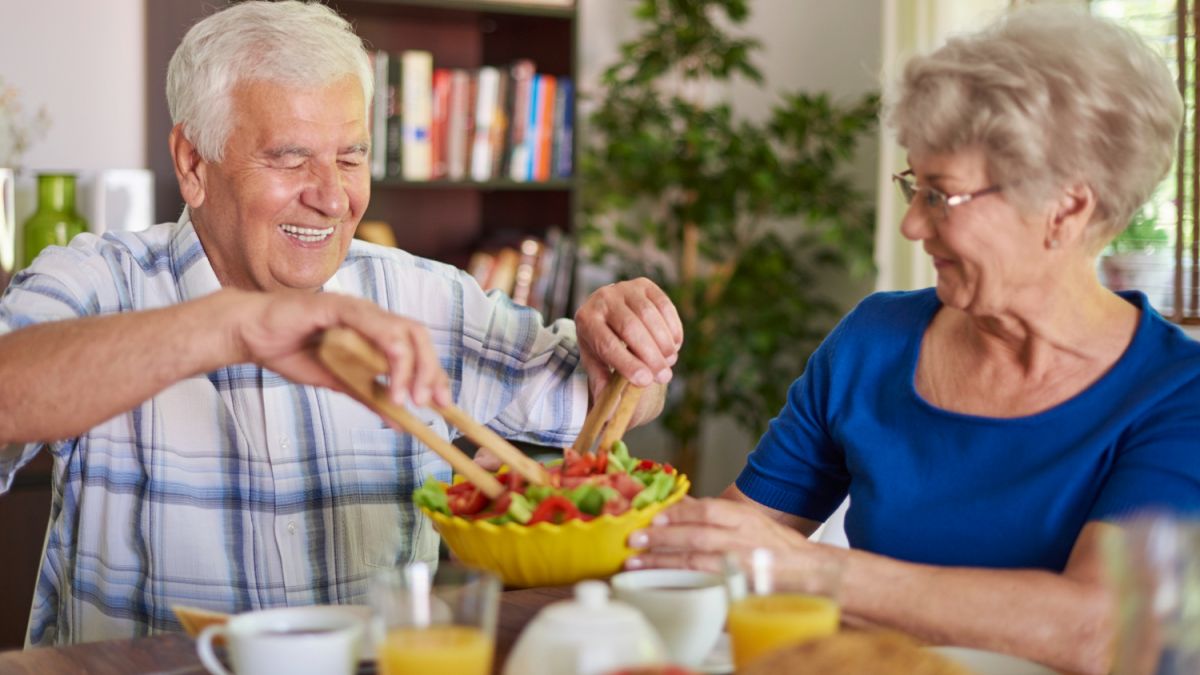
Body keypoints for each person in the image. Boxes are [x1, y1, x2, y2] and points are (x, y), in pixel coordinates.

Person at [0, 1, 681, 646]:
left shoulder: (422, 295)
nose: (331, 196)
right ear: (192, 163)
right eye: (289, 156)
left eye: (351, 156)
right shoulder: (98, 280)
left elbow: (614, 401)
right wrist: (232, 325)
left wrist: (628, 344)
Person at [628, 7, 1200, 674]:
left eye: (940, 195)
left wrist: (813, 571)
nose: (909, 225)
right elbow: (724, 551)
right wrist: (607, 417)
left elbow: (1100, 631)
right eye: (913, 185)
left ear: (1066, 209)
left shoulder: (1178, 392)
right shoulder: (874, 340)